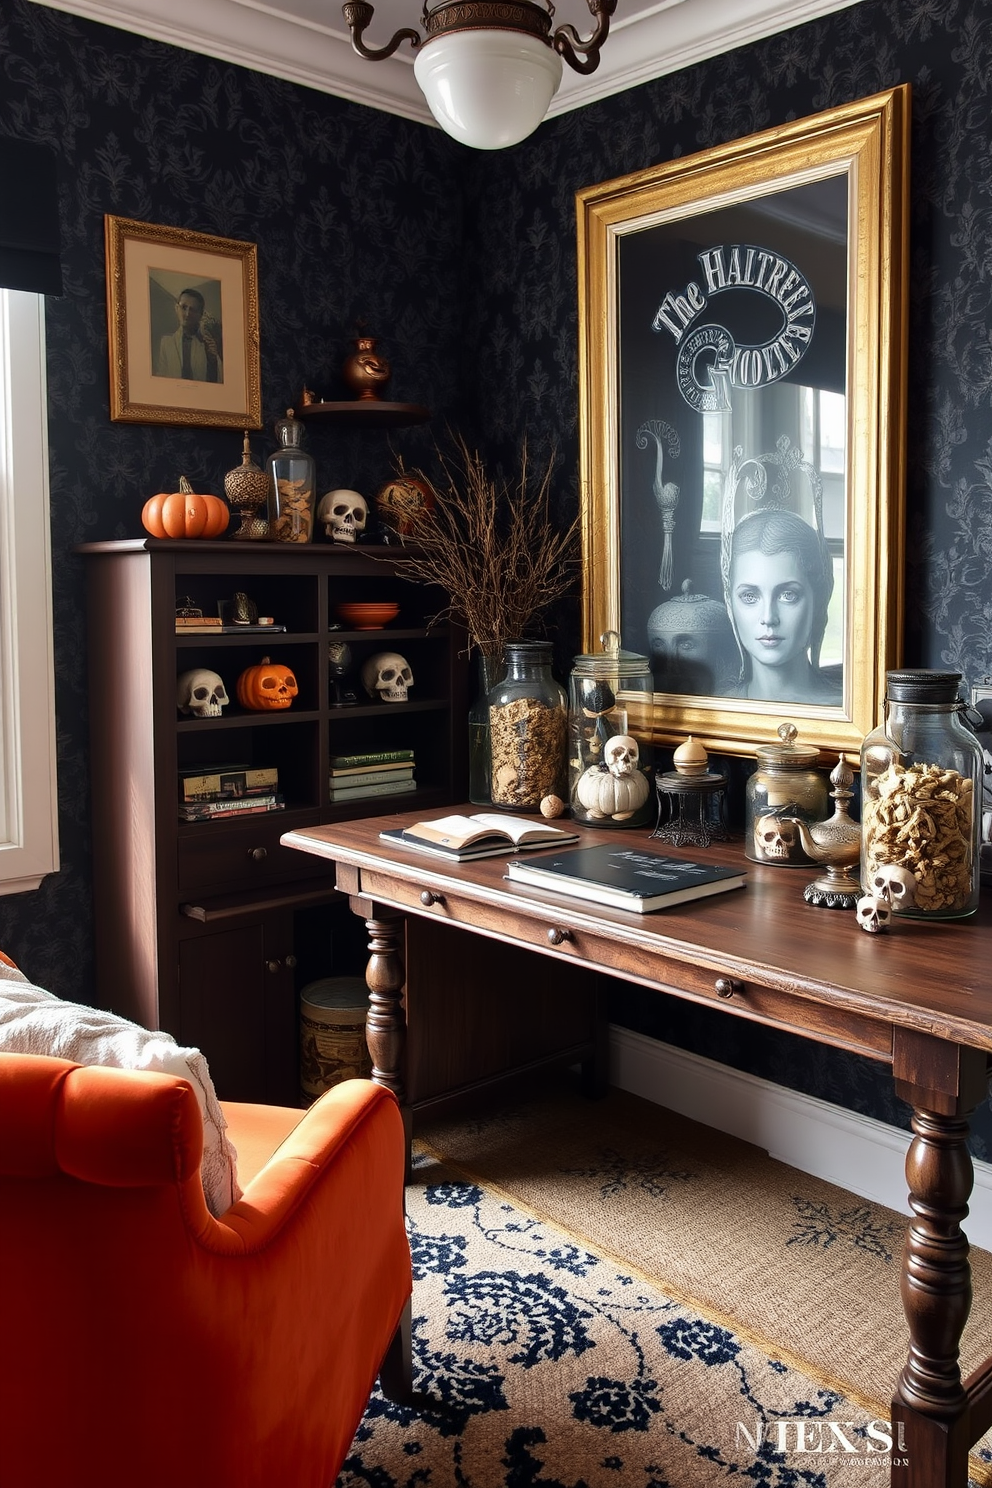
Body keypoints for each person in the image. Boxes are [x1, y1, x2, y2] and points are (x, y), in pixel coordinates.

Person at [724, 507, 841, 704]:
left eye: (788, 595)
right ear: (730, 601)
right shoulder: (714, 710)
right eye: (750, 596)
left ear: (819, 599)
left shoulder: (849, 713)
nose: (768, 618)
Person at [156, 287, 222, 383]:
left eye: (193, 310)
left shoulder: (208, 345)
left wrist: (213, 360)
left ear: (201, 314)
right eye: (184, 307)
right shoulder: (166, 343)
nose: (187, 314)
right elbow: (160, 378)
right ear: (176, 308)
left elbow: (218, 382)